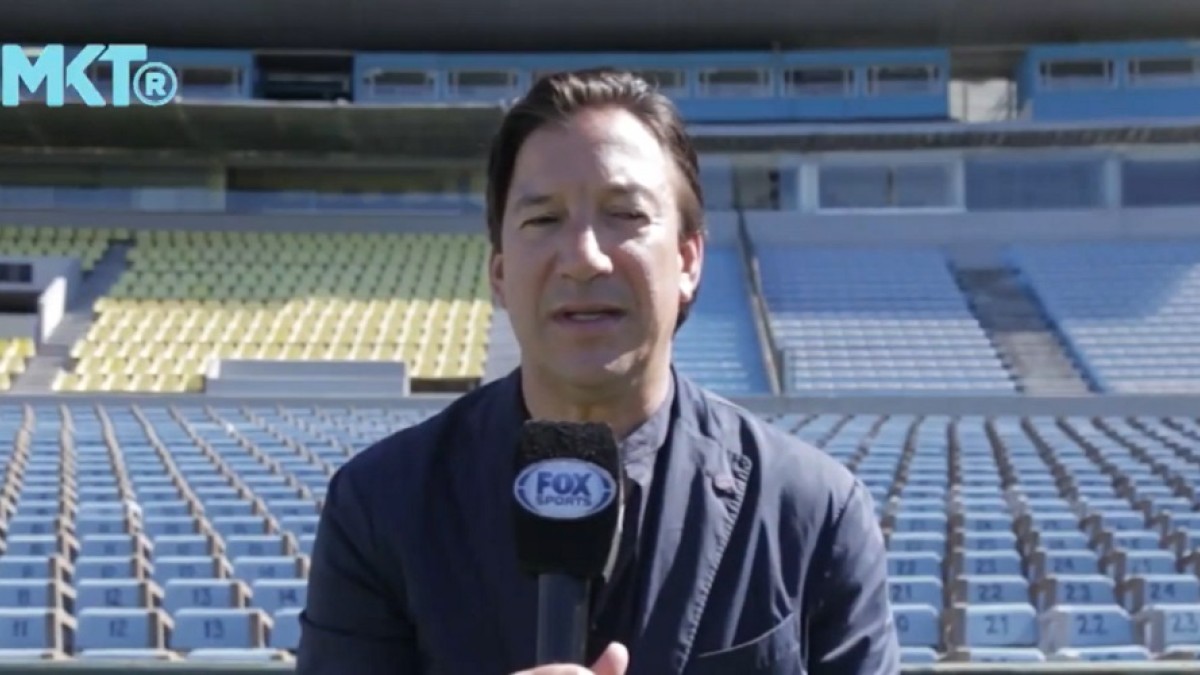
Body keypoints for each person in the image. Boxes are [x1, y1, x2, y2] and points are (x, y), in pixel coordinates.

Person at [296, 68, 900, 675]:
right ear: (500, 274)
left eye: (625, 214)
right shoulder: (379, 506)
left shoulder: (815, 511)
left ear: (688, 260)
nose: (584, 258)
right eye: (543, 220)